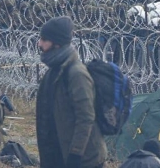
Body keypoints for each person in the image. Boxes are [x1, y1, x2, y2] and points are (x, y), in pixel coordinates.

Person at [36, 16, 107, 168]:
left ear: (57, 44)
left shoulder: (76, 74)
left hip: (83, 159)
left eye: (44, 40)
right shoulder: (54, 72)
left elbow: (86, 117)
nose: (39, 44)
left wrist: (75, 154)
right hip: (59, 154)